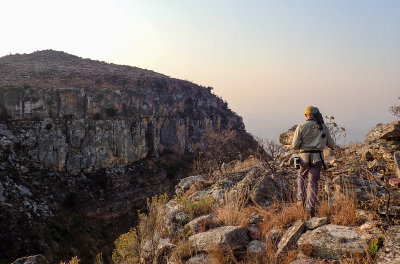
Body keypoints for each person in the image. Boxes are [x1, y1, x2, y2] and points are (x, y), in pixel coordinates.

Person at [292, 106, 335, 216]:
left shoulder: (301, 126)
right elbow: (331, 144)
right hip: (318, 158)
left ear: (306, 115)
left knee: (301, 177)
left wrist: (304, 146)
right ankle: (310, 209)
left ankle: (300, 200)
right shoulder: (324, 127)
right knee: (313, 183)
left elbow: (295, 145)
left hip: (304, 158)